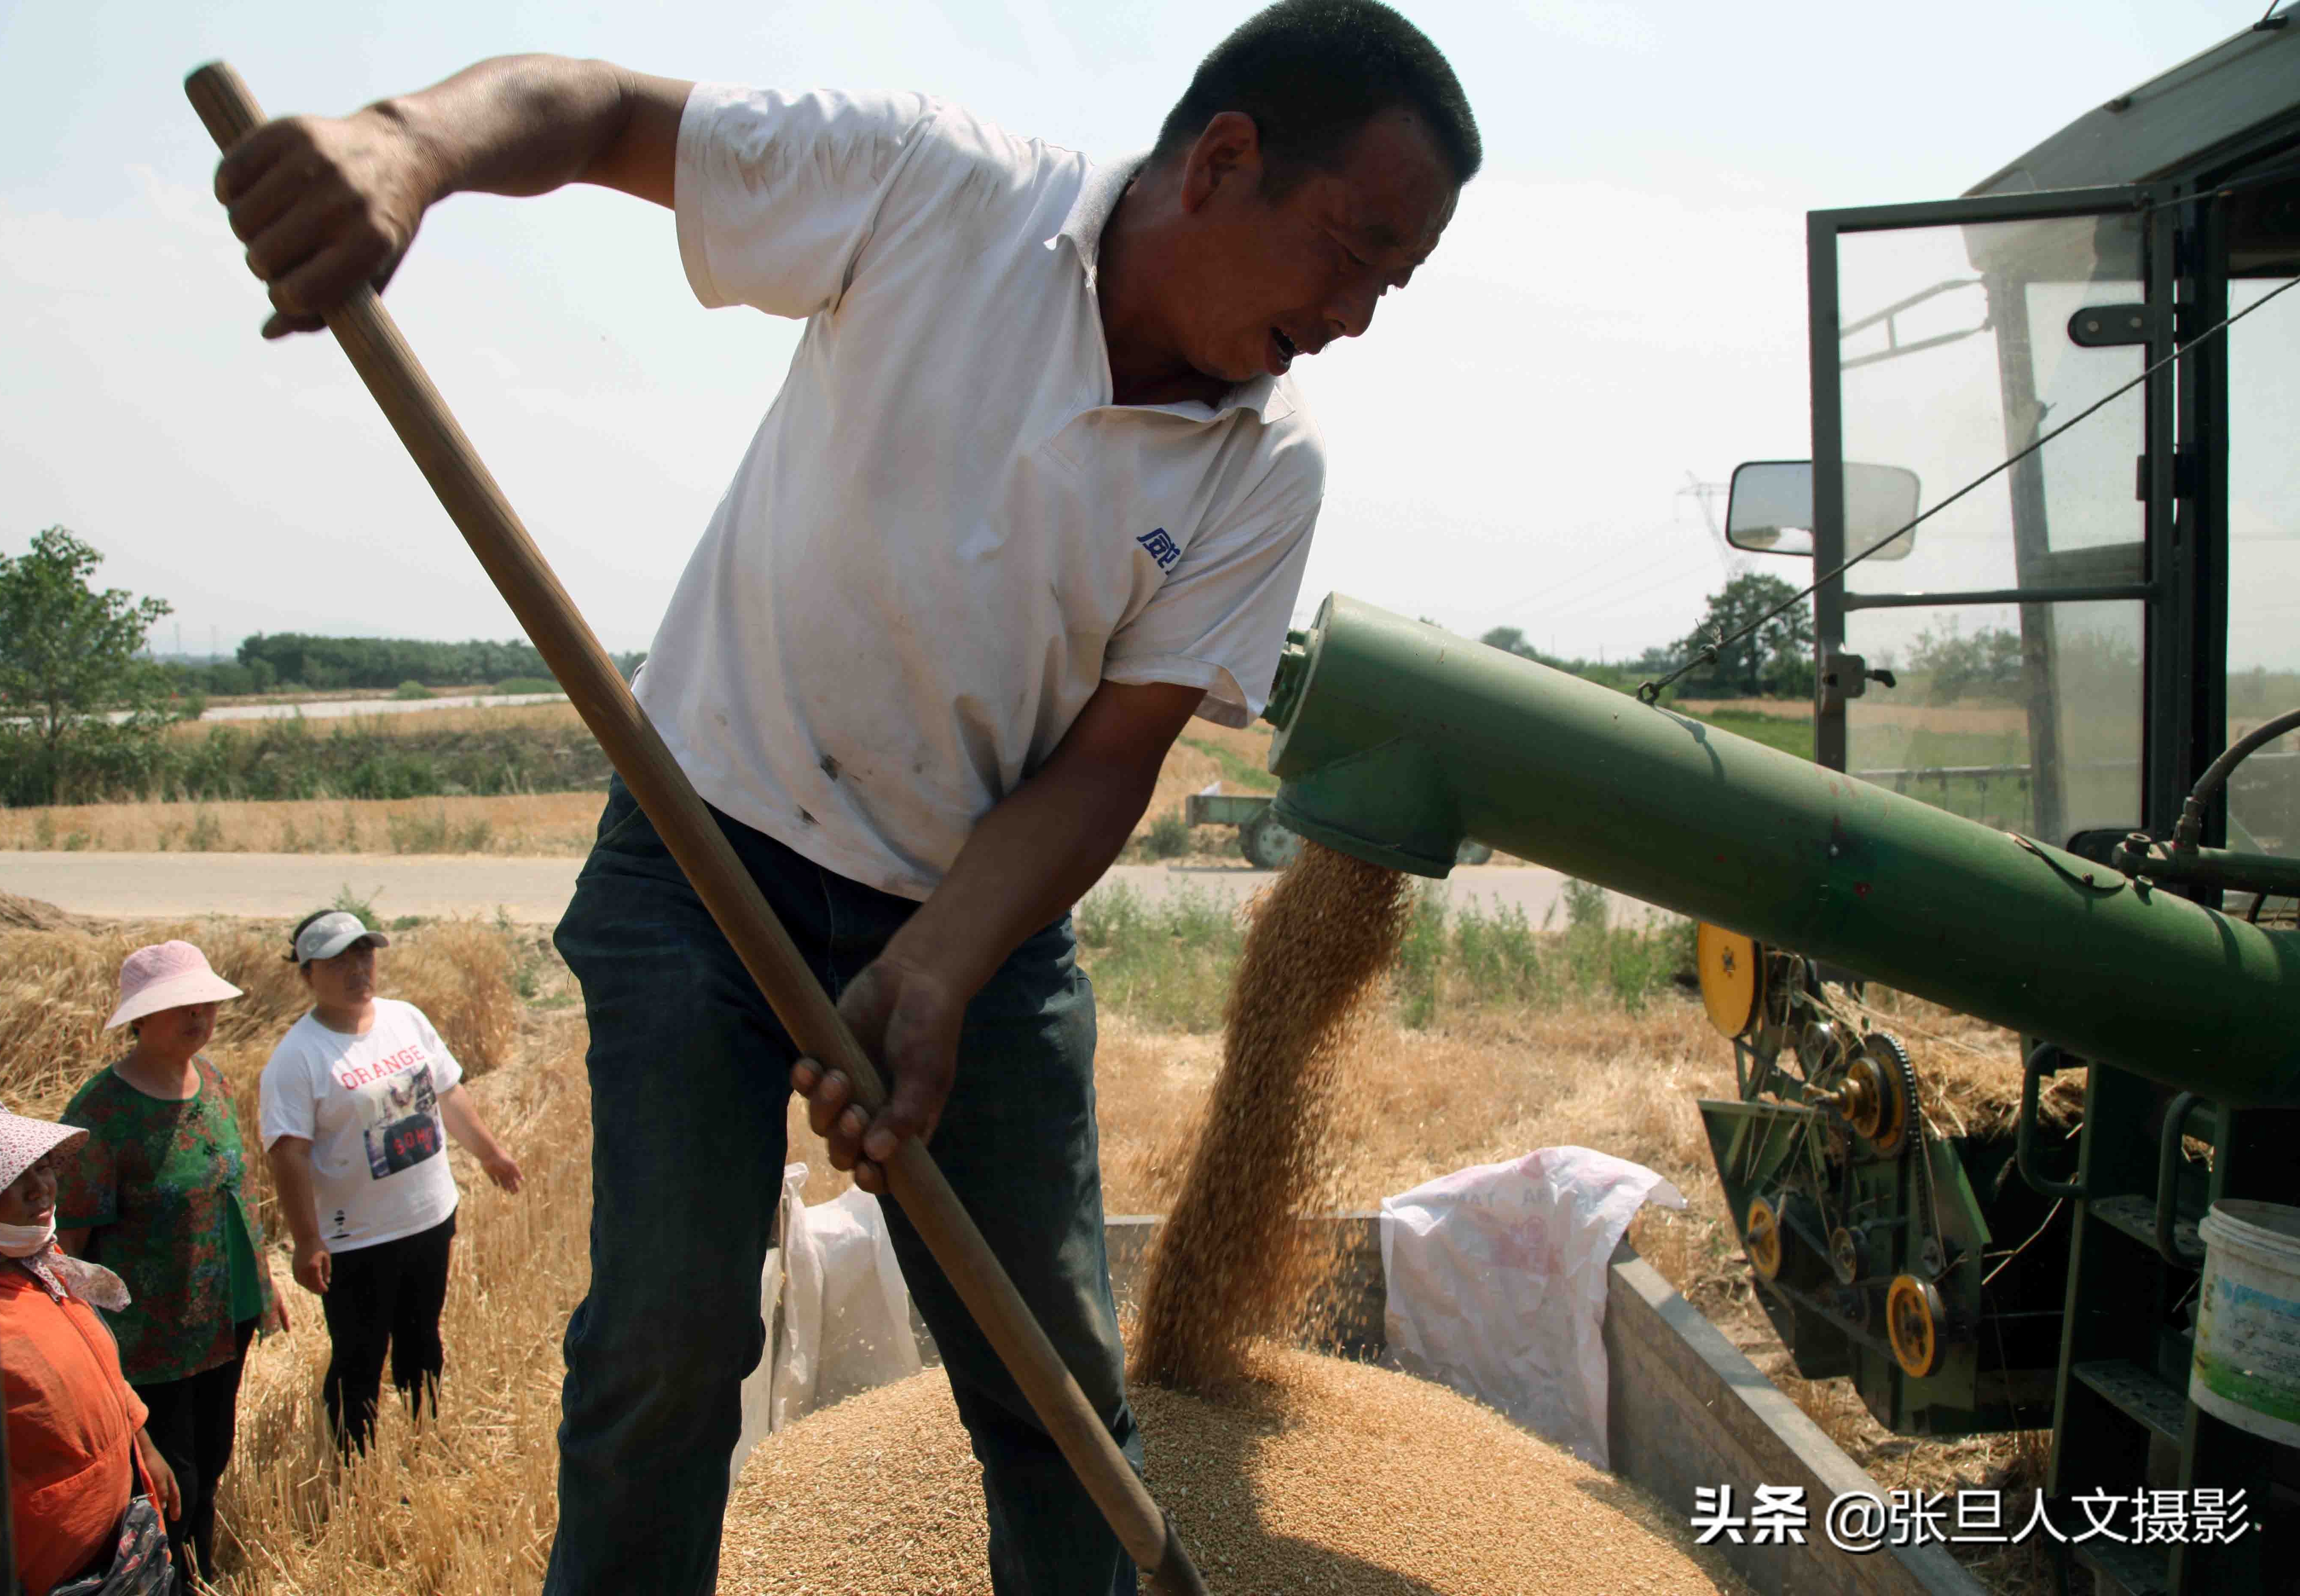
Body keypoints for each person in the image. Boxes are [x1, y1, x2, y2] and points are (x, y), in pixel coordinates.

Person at [207, 2, 1476, 1588]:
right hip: (703, 846)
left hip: (981, 914)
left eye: (1391, 284)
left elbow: (1105, 762)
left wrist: (937, 965)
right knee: (664, 1348)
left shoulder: (1263, 466)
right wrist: (405, 146)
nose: (1355, 314)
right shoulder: (938, 191)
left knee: (1053, 1381)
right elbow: (596, 107)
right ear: (1223, 160)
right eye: (1351, 250)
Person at [56, 940, 287, 1593]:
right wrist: (83, 1345)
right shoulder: (100, 1114)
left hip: (223, 1315)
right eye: (180, 1008)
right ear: (141, 1019)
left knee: (211, 1460)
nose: (198, 1019)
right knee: (169, 1481)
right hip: (147, 1340)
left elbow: (234, 1193)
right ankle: (165, 1580)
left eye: (205, 1006)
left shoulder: (212, 1081)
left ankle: (200, 1576)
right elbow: (70, 1245)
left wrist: (263, 1284)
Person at [256, 909, 521, 1452]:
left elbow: (447, 1094)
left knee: (423, 1339)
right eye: (340, 960)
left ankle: (427, 1439)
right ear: (307, 973)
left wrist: (491, 1154)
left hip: (428, 1216)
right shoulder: (298, 1057)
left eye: (365, 954)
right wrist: (307, 1240)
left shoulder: (406, 1019)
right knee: (359, 1358)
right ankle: (357, 1465)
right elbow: (289, 1155)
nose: (359, 969)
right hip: (358, 1239)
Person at [0, 1097, 182, 1596]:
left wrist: (142, 1449)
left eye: (42, 1167)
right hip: (54, 1571)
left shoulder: (38, 1265)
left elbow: (100, 1372)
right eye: (10, 1180)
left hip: (123, 1534)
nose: (41, 1188)